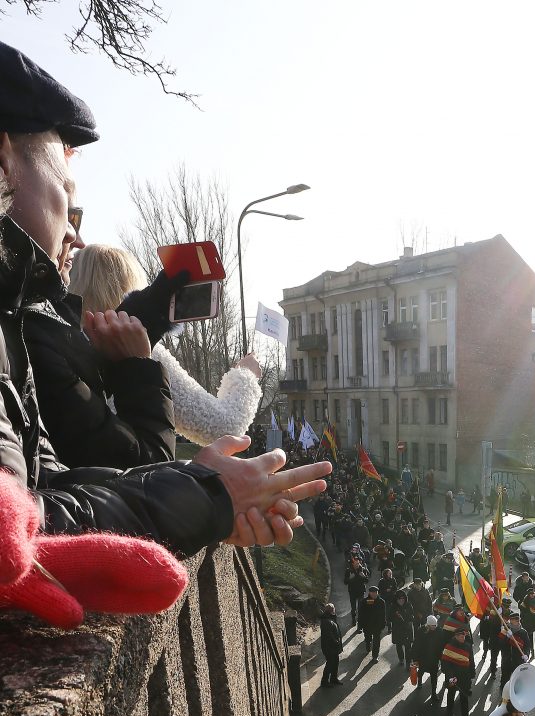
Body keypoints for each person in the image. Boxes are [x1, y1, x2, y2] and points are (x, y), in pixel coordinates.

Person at [0, 47, 327, 555]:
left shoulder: (20, 323)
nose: (74, 234)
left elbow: (47, 484)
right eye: (67, 192)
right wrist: (208, 492)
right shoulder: (25, 329)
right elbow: (23, 526)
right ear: (4, 158)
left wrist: (204, 489)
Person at [61, 243, 263, 454]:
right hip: (130, 480)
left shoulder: (59, 347)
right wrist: (246, 375)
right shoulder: (142, 351)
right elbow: (224, 428)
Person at [440, 626, 474, 716]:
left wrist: (472, 673)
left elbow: (471, 662)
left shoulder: (468, 647)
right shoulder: (449, 647)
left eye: (464, 635)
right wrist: (450, 677)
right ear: (455, 636)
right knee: (451, 693)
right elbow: (445, 664)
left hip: (464, 677)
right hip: (453, 677)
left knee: (464, 699)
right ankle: (450, 709)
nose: (463, 637)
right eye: (460, 635)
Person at [499, 611, 531, 690]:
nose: (517, 620)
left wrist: (526, 654)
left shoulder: (523, 632)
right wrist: (506, 637)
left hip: (518, 661)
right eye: (515, 619)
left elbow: (527, 646)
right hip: (507, 660)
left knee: (516, 680)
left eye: (518, 619)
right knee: (504, 680)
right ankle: (503, 695)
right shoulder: (505, 630)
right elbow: (500, 644)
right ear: (510, 620)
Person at [414, 615, 441, 696]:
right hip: (423, 657)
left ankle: (433, 693)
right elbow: (416, 645)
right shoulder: (421, 630)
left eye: (435, 625)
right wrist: (415, 658)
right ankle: (419, 682)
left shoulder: (439, 631)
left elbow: (441, 645)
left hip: (434, 658)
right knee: (421, 671)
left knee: (434, 676)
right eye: (432, 626)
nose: (434, 627)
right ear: (428, 625)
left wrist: (441, 657)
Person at [358, 583, 386, 661]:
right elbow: (361, 614)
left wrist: (383, 623)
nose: (374, 594)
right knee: (368, 638)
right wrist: (360, 624)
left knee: (376, 641)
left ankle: (375, 656)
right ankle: (368, 643)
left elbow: (383, 614)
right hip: (367, 625)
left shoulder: (381, 602)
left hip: (377, 625)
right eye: (373, 593)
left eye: (376, 593)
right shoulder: (365, 601)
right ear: (369, 593)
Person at [319, 602, 343, 687]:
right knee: (330, 664)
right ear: (332, 610)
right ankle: (324, 681)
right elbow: (329, 635)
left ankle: (333, 678)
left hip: (332, 647)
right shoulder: (326, 621)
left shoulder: (330, 618)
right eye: (334, 609)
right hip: (329, 647)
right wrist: (336, 642)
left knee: (335, 662)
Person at [390, 590, 414, 668]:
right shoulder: (393, 607)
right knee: (399, 645)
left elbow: (412, 616)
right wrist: (397, 619)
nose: (401, 600)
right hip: (397, 630)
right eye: (399, 598)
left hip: (407, 630)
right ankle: (401, 659)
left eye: (403, 598)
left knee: (408, 647)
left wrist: (407, 619)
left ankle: (408, 663)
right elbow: (389, 618)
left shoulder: (408, 605)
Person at [344, 557, 368, 629]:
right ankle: (353, 619)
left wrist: (363, 576)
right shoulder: (348, 571)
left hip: (361, 592)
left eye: (358, 563)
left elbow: (367, 581)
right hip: (352, 592)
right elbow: (345, 582)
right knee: (353, 608)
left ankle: (359, 626)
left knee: (360, 608)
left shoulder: (363, 570)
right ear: (352, 563)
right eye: (356, 563)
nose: (358, 564)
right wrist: (350, 578)